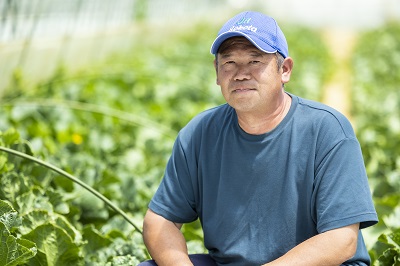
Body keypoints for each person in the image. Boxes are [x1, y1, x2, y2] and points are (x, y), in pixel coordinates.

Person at [139, 11, 378, 266]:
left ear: (284, 69)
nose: (240, 74)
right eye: (229, 62)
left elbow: (341, 240)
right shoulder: (199, 133)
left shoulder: (327, 130)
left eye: (255, 61)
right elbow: (159, 221)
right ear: (217, 72)